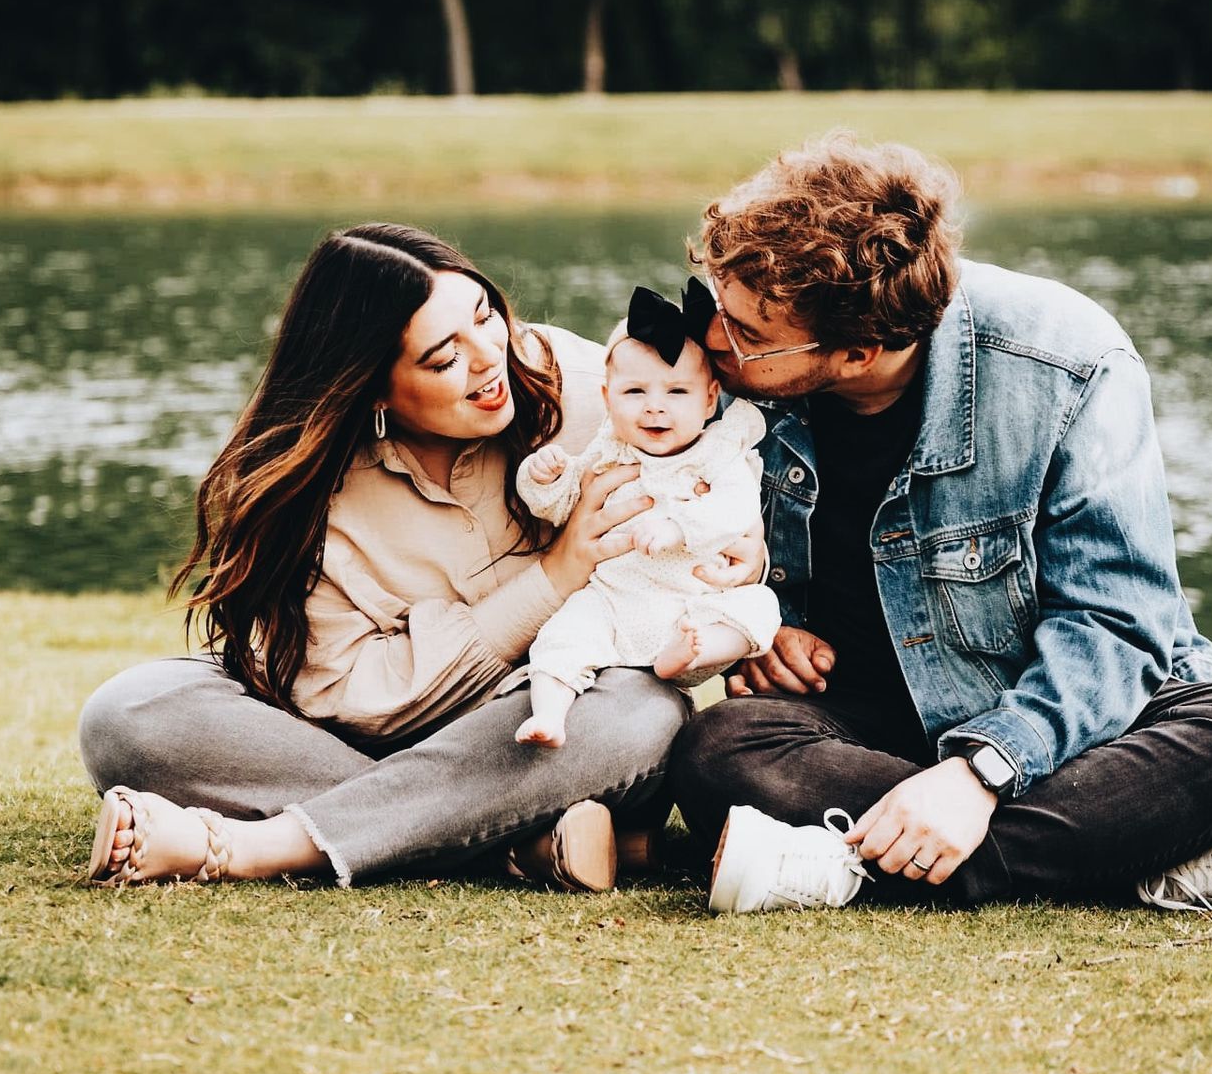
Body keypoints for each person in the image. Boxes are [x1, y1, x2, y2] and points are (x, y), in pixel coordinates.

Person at [671, 134, 1212, 915]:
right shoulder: (731, 381)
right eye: (717, 303)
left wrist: (981, 772)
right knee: (719, 749)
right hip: (865, 725)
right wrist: (764, 627)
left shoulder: (1068, 360)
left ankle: (840, 867)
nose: (715, 338)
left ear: (857, 353)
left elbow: (1119, 624)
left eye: (748, 332)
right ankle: (1143, 864)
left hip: (1069, 721)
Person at [77, 223, 757, 892]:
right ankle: (508, 843)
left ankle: (260, 846)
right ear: (373, 386)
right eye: (444, 358)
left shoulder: (586, 386)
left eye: (485, 316)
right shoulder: (317, 496)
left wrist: (751, 561)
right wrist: (554, 577)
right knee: (130, 714)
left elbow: (734, 449)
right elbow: (349, 698)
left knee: (640, 708)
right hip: (363, 745)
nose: (490, 357)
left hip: (553, 740)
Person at [513, 286, 781, 748]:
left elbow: (735, 511)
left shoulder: (719, 456)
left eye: (677, 391)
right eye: (634, 391)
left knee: (760, 608)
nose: (655, 406)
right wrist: (542, 479)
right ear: (607, 397)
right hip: (614, 598)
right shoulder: (605, 452)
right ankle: (549, 715)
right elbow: (560, 509)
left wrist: (679, 526)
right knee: (562, 634)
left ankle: (691, 654)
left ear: (710, 398)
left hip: (693, 602)